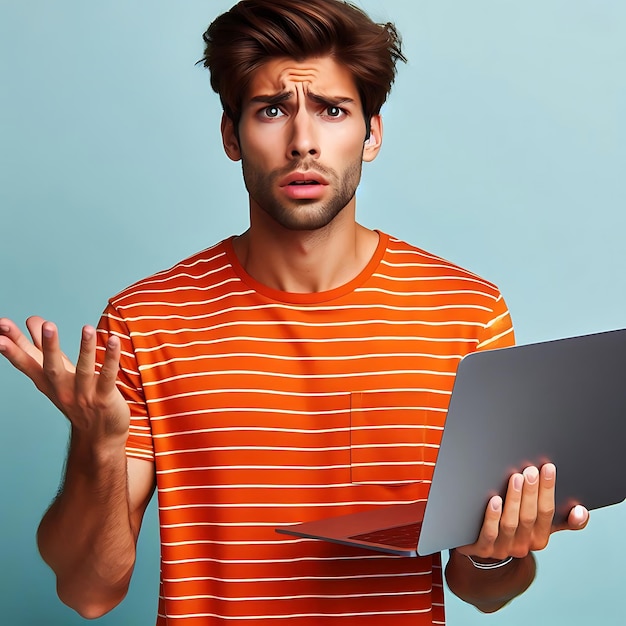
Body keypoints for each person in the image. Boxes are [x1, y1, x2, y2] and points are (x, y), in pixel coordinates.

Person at [0, 1, 589, 624]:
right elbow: (89, 592)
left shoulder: (467, 313)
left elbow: (483, 590)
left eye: (333, 111)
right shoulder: (147, 321)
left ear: (373, 132)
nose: (302, 141)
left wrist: (501, 553)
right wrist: (98, 444)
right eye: (272, 110)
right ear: (232, 136)